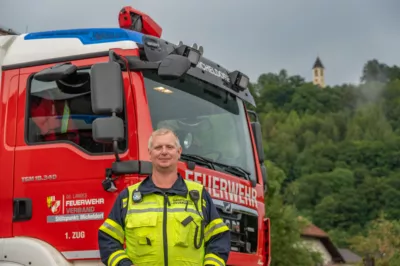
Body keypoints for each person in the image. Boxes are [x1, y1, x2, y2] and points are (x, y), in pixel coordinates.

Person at [98, 128, 231, 266]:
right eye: (158, 147)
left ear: (179, 152)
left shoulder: (198, 195)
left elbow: (219, 238)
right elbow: (108, 239)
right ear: (149, 153)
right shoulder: (128, 197)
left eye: (169, 147)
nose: (164, 152)